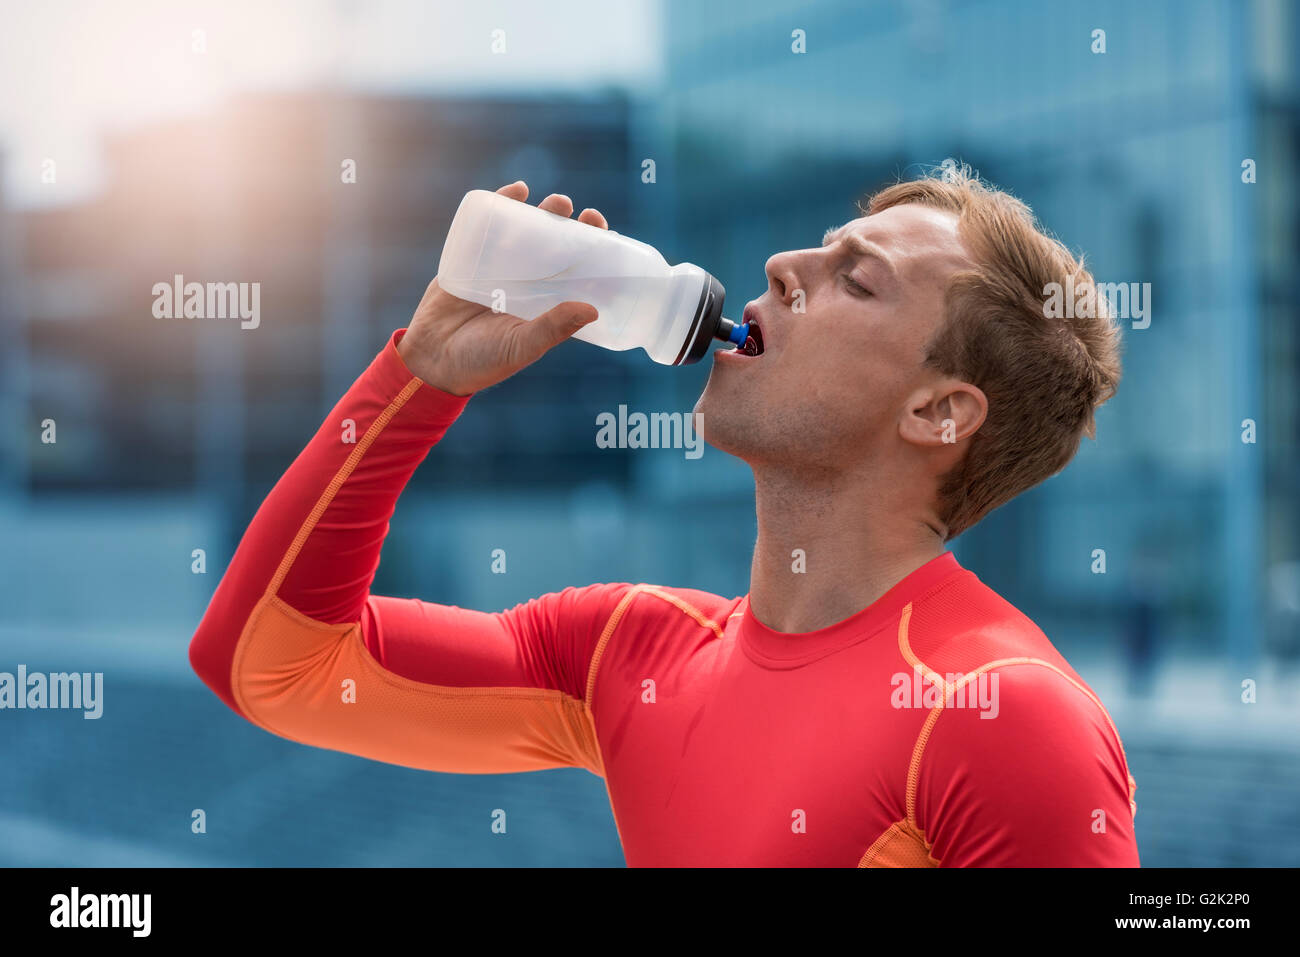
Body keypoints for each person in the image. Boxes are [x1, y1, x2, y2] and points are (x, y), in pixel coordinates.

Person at [189, 167, 1139, 866]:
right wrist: (419, 380)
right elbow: (269, 665)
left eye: (856, 279)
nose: (781, 264)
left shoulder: (1001, 714)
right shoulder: (628, 654)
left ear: (940, 412)